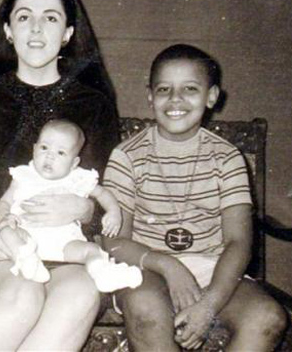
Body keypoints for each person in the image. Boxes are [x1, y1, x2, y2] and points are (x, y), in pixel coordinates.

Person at [0, 0, 120, 351]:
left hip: (67, 248)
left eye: (51, 17)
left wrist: (84, 209)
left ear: (68, 34)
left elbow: (105, 192)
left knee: (80, 293)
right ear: (8, 30)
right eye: (24, 16)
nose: (36, 28)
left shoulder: (93, 105)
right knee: (23, 294)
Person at [103, 44, 287, 350]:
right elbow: (113, 241)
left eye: (190, 88)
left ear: (211, 96)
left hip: (212, 268)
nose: (175, 99)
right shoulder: (127, 157)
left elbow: (239, 242)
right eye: (164, 89)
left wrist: (208, 305)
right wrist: (167, 265)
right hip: (147, 267)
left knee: (267, 317)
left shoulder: (227, 158)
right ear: (150, 96)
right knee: (147, 311)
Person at [0, 119, 142, 292]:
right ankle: (27, 262)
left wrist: (113, 211)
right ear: (34, 149)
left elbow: (102, 193)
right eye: (44, 148)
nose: (50, 156)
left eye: (61, 153)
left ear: (74, 163)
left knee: (91, 250)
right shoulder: (23, 175)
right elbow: (4, 202)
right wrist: (5, 216)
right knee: (4, 231)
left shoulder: (77, 178)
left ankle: (102, 272)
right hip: (25, 236)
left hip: (65, 242)